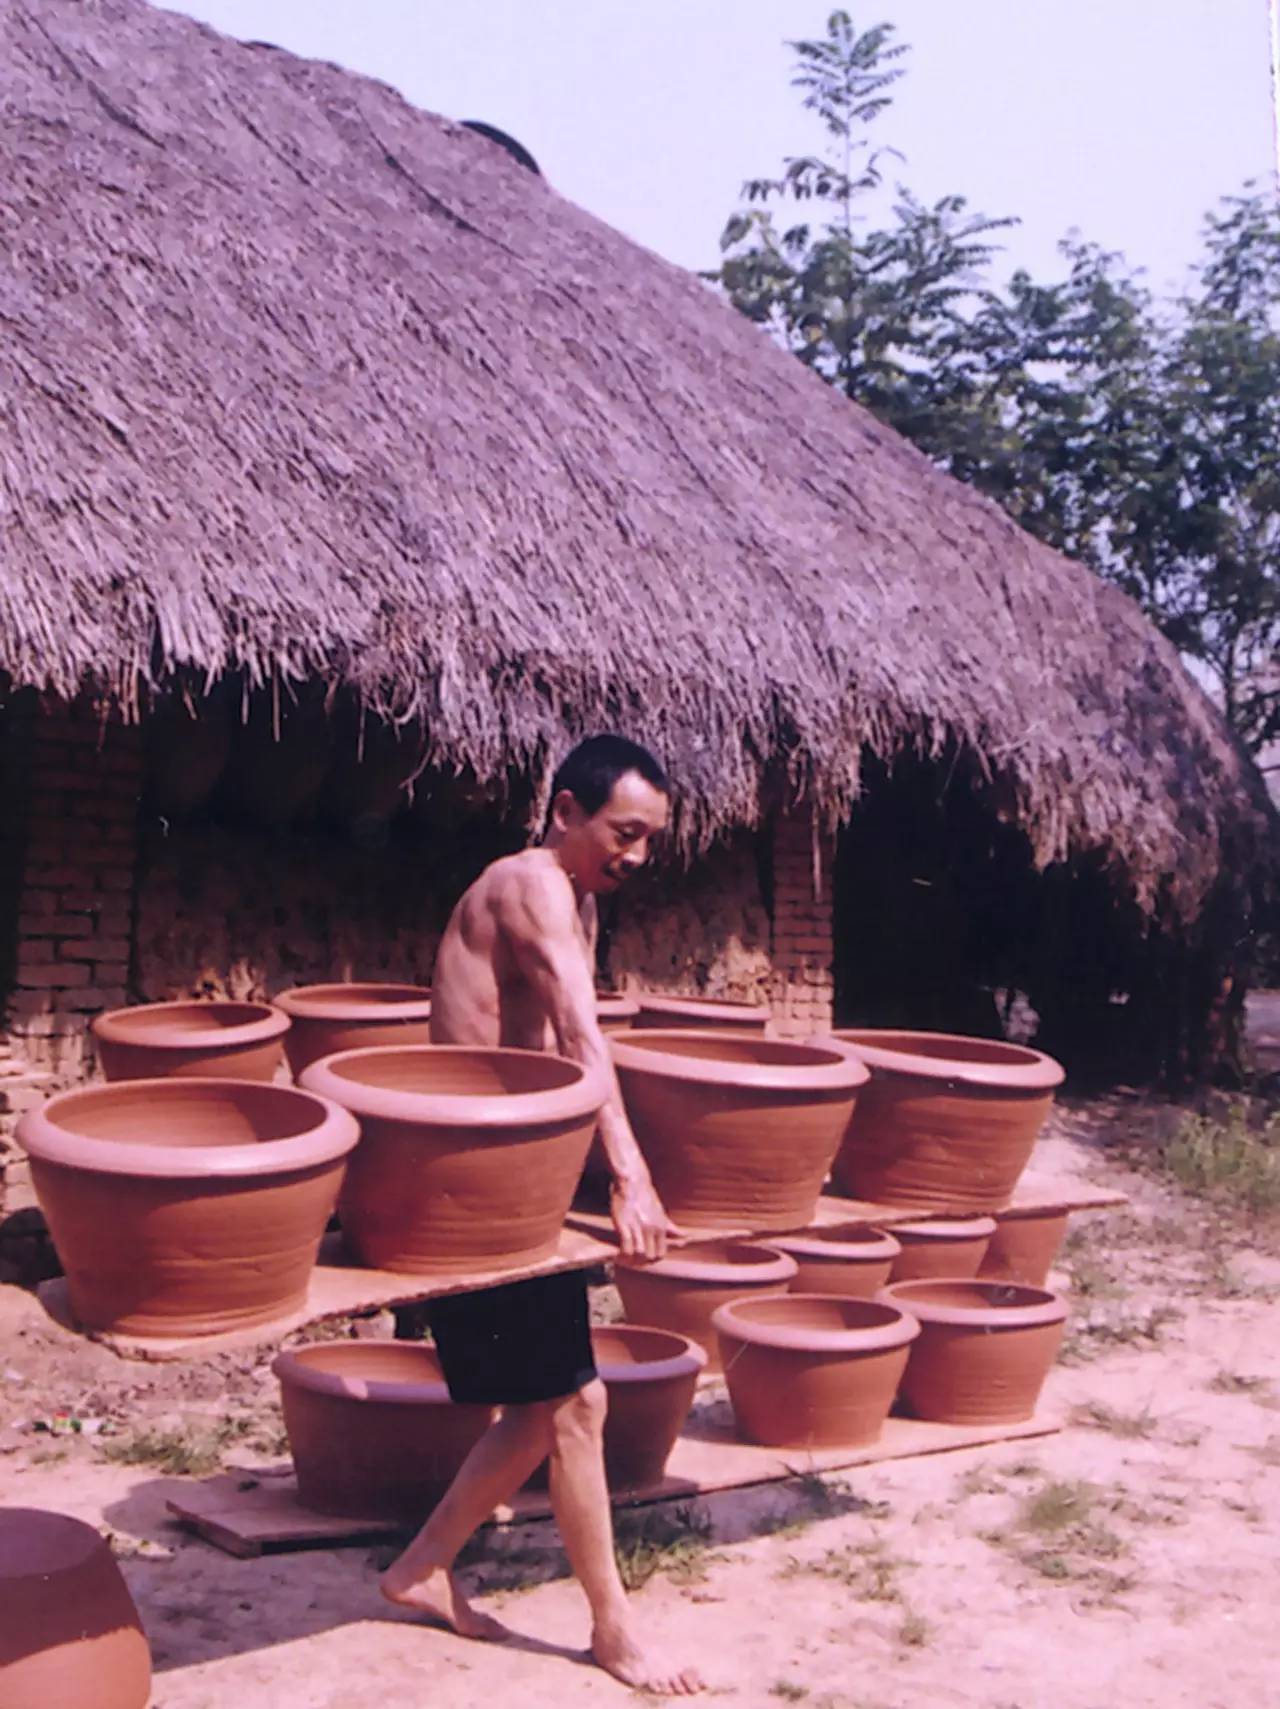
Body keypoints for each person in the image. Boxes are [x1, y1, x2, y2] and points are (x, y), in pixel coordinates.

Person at [380, 734, 704, 1697]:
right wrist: (630, 1177)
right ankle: (613, 1627)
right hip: (472, 1177)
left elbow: (568, 1058)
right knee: (573, 1400)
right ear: (566, 810)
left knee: (547, 1405)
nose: (637, 855)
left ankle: (421, 1569)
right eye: (625, 832)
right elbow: (580, 1035)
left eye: (651, 840)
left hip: (516, 1170)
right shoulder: (529, 885)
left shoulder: (577, 896)